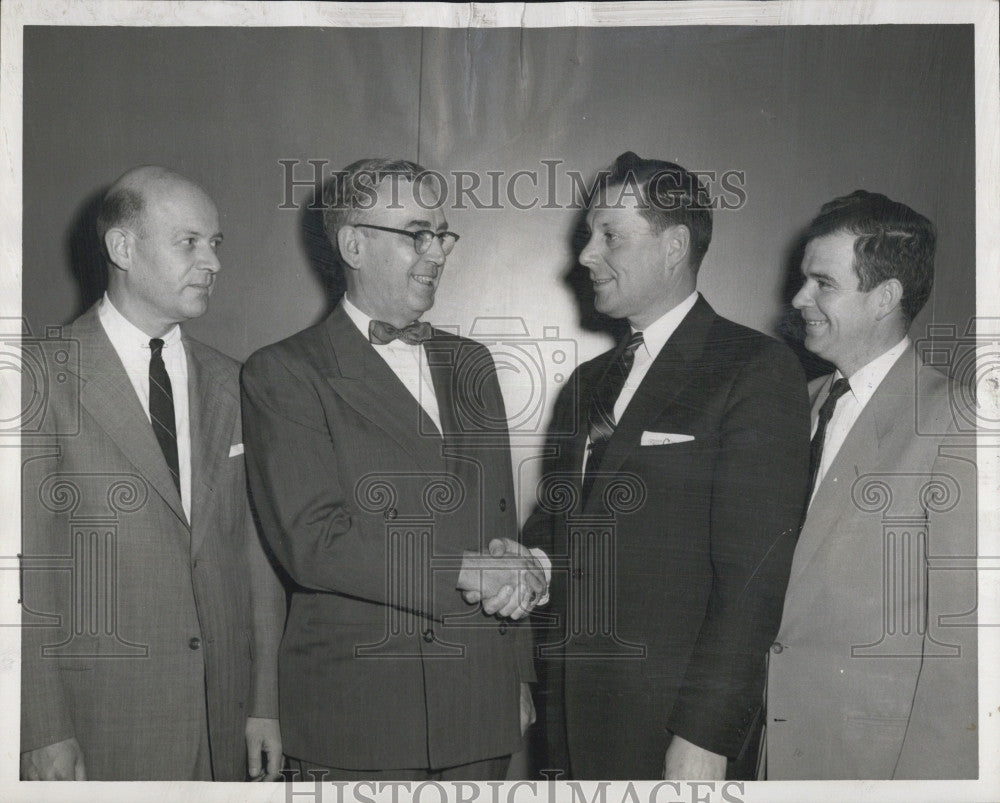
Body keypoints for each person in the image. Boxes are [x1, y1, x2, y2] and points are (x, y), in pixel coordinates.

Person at [240, 157, 545, 781]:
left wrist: (516, 676)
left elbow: (500, 520)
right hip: (358, 720)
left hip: (479, 711)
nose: (436, 253)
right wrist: (468, 571)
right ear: (353, 242)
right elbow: (316, 543)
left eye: (442, 234)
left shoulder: (472, 364)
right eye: (415, 234)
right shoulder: (284, 373)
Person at [523, 151, 811, 780]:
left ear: (675, 245)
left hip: (668, 731)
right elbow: (555, 528)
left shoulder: (753, 369)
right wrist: (529, 567)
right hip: (565, 725)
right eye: (588, 235)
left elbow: (754, 580)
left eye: (610, 236)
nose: (586, 256)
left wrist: (706, 734)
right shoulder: (585, 384)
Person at [20, 166, 285, 781]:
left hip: (225, 724)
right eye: (189, 242)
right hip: (97, 723)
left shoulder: (234, 381)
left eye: (216, 243)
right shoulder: (38, 377)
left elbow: (257, 557)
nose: (213, 262)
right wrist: (40, 728)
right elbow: (22, 571)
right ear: (122, 248)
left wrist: (263, 703)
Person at [765, 191, 977, 779]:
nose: (797, 298)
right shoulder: (795, 408)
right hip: (767, 755)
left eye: (822, 283)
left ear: (885, 297)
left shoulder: (957, 422)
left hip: (872, 767)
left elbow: (966, 653)